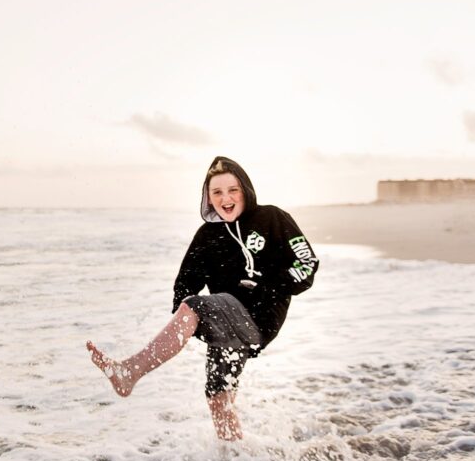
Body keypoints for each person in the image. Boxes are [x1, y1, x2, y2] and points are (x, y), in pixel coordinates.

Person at [87, 156, 319, 441]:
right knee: (218, 398)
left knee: (196, 306)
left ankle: (130, 371)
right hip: (224, 325)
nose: (226, 198)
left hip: (259, 319)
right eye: (217, 192)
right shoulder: (206, 236)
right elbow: (185, 284)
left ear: (245, 189)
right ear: (208, 198)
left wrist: (264, 287)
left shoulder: (272, 217)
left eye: (233, 190)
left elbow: (306, 263)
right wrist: (190, 322)